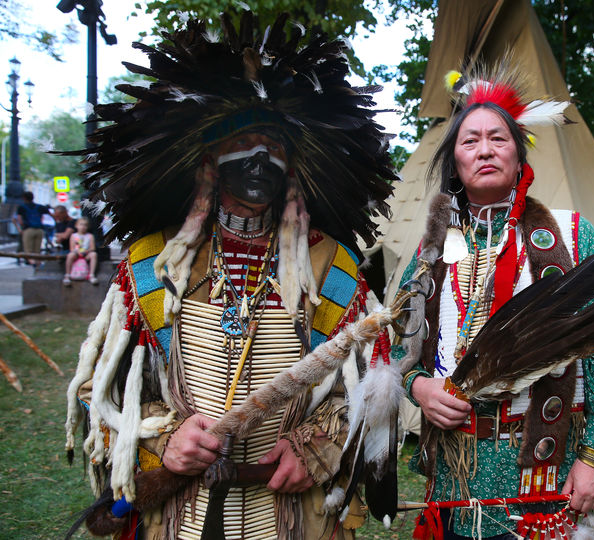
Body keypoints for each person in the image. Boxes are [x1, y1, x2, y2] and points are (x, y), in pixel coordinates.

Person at [63, 11, 397, 540]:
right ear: (209, 161)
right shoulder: (155, 264)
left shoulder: (330, 268)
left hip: (290, 511)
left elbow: (369, 387)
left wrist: (317, 444)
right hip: (178, 511)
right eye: (243, 144)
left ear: (293, 167)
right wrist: (160, 438)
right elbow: (97, 393)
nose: (261, 158)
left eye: (276, 148)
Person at [396, 65, 594, 539]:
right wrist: (420, 389)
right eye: (469, 142)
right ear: (455, 162)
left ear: (519, 154)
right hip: (456, 470)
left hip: (545, 471)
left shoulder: (569, 235)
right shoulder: (434, 251)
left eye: (498, 139)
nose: (484, 149)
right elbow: (399, 353)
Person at [15, 191, 51, 265]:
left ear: (24, 198)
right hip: (39, 230)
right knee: (37, 250)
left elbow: (20, 221)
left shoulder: (21, 207)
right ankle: (37, 263)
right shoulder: (40, 207)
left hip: (28, 230)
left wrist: (20, 229)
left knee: (28, 250)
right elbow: (51, 214)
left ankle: (32, 263)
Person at [63, 217, 98, 286]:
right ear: (76, 226)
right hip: (77, 254)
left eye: (85, 225)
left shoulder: (90, 236)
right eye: (81, 224)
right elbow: (72, 248)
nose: (83, 227)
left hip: (86, 254)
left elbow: (92, 248)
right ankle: (67, 275)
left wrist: (86, 251)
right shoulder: (73, 235)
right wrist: (78, 252)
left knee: (94, 254)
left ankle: (91, 275)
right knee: (70, 255)